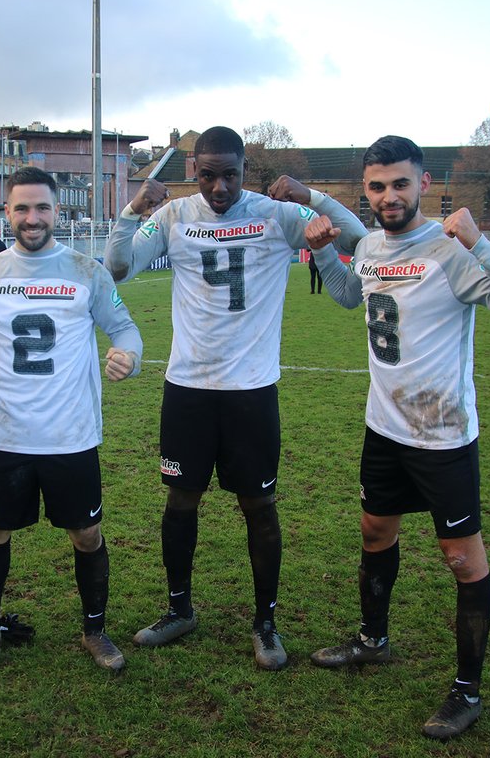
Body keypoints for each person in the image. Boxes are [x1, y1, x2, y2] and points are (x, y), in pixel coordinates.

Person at [306, 136, 490, 739]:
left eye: (401, 185)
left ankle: (467, 691)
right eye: (378, 187)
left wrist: (481, 245)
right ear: (366, 192)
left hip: (442, 435)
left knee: (462, 559)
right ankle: (373, 639)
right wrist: (323, 257)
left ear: (424, 183)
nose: (389, 196)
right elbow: (350, 297)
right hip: (383, 426)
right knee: (374, 531)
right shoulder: (366, 245)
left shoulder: (449, 251)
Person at [103, 125, 367, 670]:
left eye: (230, 174)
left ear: (245, 170)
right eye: (207, 175)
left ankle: (265, 622)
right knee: (180, 501)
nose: (219, 187)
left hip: (251, 392)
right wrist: (131, 210)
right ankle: (179, 610)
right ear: (193, 173)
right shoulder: (175, 217)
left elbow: (358, 241)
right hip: (188, 391)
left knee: (259, 505)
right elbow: (119, 266)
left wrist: (313, 198)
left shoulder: (276, 215)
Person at [0, 166, 142, 672]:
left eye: (42, 207)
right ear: (7, 213)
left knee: (86, 535)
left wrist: (127, 358)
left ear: (57, 210)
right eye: (22, 208)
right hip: (5, 434)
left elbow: (125, 329)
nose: (32, 217)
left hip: (70, 436)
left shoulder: (87, 271)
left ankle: (95, 631)